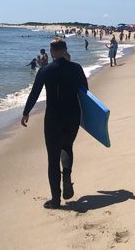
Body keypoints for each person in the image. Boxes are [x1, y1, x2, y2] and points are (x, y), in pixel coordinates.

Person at [20, 38, 87, 209]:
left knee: (52, 157)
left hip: (53, 117)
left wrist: (26, 112)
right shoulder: (76, 68)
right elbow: (85, 92)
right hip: (72, 114)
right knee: (67, 147)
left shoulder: (45, 70)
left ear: (51, 52)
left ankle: (55, 200)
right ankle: (67, 175)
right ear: (65, 50)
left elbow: (35, 92)